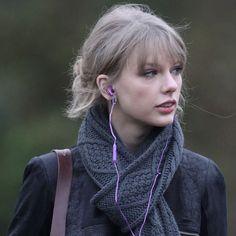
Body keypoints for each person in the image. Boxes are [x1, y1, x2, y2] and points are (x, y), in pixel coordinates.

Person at [7, 4, 227, 236]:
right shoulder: (53, 175)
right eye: (150, 72)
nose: (171, 85)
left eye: (176, 69)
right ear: (107, 87)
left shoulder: (201, 178)